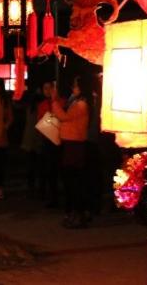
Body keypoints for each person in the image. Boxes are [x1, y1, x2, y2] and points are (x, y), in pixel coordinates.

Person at [51, 75, 92, 229]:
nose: (72, 88)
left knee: (73, 181)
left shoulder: (81, 104)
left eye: (75, 85)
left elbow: (64, 116)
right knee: (72, 180)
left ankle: (77, 213)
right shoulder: (76, 101)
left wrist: (54, 101)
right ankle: (75, 212)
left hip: (74, 145)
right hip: (71, 143)